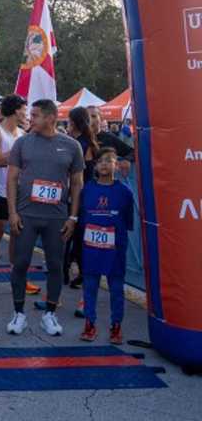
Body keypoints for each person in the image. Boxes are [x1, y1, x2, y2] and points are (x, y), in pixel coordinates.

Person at [6, 99, 84, 337]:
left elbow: (78, 183)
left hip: (57, 218)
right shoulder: (22, 143)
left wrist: (73, 217)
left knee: (55, 265)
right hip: (26, 215)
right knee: (20, 264)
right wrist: (12, 212)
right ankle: (18, 314)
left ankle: (49, 314)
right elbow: (11, 179)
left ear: (51, 118)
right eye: (30, 114)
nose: (30, 119)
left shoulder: (71, 146)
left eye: (36, 115)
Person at [0, 94, 43, 298]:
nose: (27, 114)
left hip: (20, 192)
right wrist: (20, 149)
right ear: (17, 111)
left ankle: (18, 279)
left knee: (18, 237)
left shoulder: (22, 133)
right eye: (25, 110)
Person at [78, 147, 134, 343]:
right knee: (90, 288)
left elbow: (127, 222)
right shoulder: (88, 189)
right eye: (100, 160)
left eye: (108, 160)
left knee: (116, 290)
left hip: (115, 250)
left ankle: (116, 325)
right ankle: (90, 323)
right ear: (95, 166)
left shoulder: (125, 192)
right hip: (91, 250)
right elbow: (83, 218)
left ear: (116, 165)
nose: (104, 164)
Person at [64, 106, 100, 293]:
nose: (67, 124)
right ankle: (63, 271)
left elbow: (87, 176)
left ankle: (82, 274)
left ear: (76, 122)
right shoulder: (67, 140)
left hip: (81, 197)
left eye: (70, 121)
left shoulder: (87, 143)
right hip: (65, 195)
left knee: (78, 238)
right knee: (64, 236)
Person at [87, 105, 135, 177]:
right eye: (87, 117)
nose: (90, 120)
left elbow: (132, 151)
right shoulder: (78, 139)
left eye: (94, 116)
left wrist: (127, 160)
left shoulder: (109, 138)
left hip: (104, 183)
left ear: (101, 119)